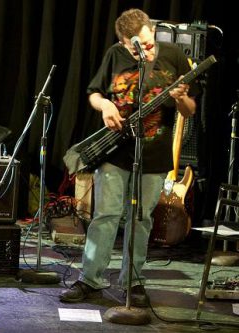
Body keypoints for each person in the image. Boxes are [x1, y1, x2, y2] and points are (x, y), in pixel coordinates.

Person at [60, 9, 197, 307]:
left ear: (152, 32)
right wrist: (105, 104)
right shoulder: (114, 55)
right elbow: (94, 93)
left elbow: (189, 109)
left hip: (155, 154)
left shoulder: (173, 55)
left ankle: (133, 282)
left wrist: (181, 99)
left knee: (141, 219)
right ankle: (90, 279)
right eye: (136, 47)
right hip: (114, 151)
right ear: (123, 43)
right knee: (105, 216)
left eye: (148, 45)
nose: (145, 52)